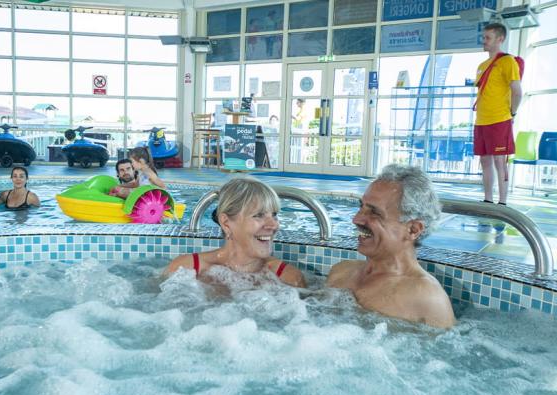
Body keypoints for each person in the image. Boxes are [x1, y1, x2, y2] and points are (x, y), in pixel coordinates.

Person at [326, 164, 455, 329]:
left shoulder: (427, 299)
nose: (356, 219)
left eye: (374, 213)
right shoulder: (340, 273)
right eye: (361, 207)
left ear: (413, 229)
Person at [163, 177, 306, 288]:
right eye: (259, 215)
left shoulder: (288, 278)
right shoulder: (186, 269)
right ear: (226, 223)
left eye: (274, 214)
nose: (274, 225)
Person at [474, 22, 522, 206]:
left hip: (499, 119)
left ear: (500, 39)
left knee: (500, 162)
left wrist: (512, 113)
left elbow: (517, 91)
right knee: (485, 161)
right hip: (481, 120)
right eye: (484, 37)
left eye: (488, 38)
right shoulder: (481, 65)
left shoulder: (507, 61)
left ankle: (502, 202)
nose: (484, 41)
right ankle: (488, 199)